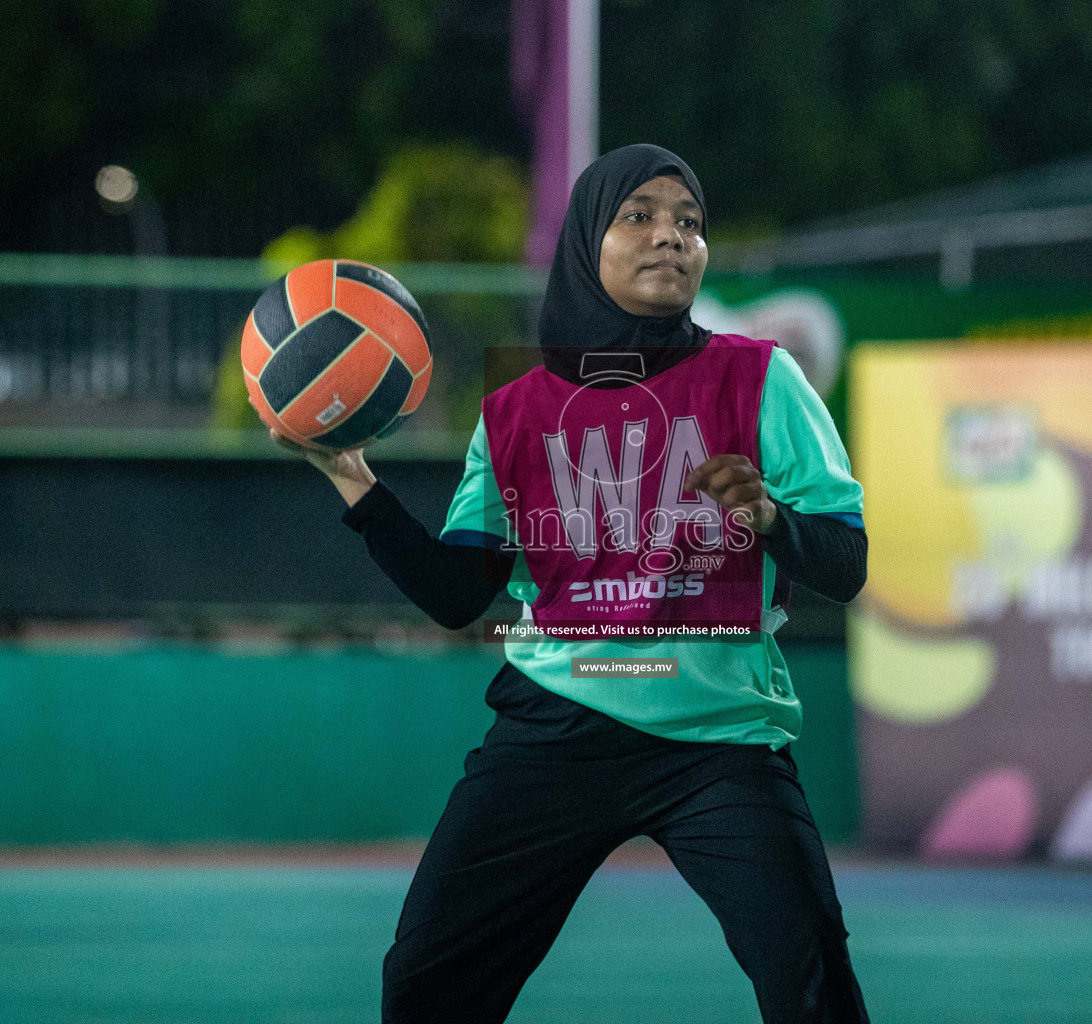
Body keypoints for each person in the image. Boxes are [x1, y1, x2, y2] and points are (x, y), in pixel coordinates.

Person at [277, 144, 871, 1022]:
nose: (671, 236)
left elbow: (849, 566)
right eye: (640, 215)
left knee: (811, 984)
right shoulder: (514, 409)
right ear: (586, 240)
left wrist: (775, 519)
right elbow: (456, 594)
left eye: (689, 221)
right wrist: (353, 478)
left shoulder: (761, 380)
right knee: (423, 988)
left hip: (717, 738)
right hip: (556, 726)